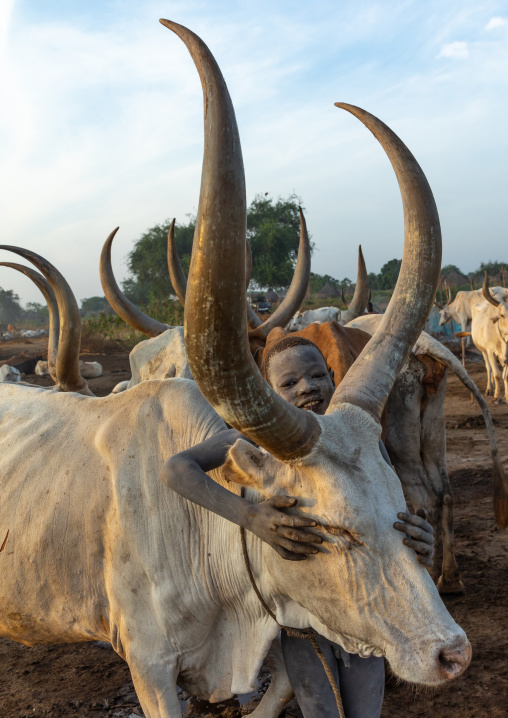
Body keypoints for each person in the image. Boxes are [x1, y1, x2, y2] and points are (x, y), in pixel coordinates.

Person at [160, 336, 434, 718]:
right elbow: (176, 470)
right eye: (288, 384)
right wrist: (250, 517)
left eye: (317, 375)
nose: (307, 387)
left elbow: (389, 519)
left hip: (365, 609)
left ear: (334, 377)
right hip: (303, 621)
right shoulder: (253, 439)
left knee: (365, 713)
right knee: (322, 713)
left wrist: (421, 540)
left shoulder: (362, 439)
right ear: (267, 392)